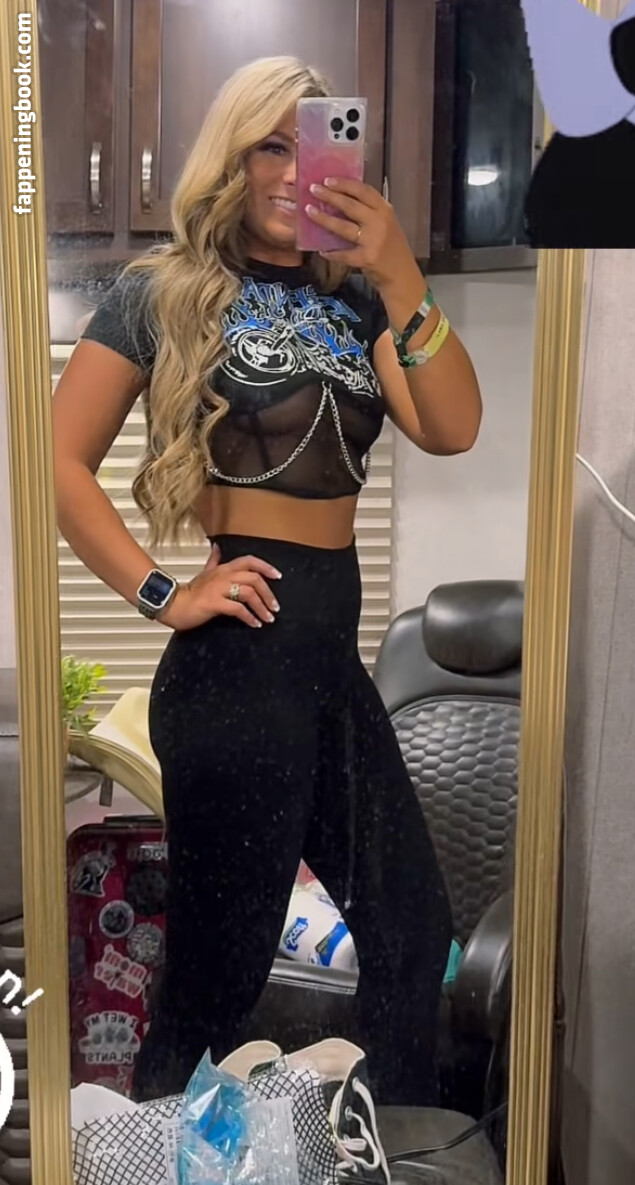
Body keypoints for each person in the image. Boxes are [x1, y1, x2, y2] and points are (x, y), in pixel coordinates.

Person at [52, 55, 482, 1108]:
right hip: (233, 677)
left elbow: (452, 427)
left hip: (330, 674)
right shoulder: (163, 292)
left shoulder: (358, 299)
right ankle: (163, 1158)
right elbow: (57, 462)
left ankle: (376, 1143)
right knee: (219, 975)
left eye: (314, 144)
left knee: (411, 931)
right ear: (232, 161)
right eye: (270, 147)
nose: (294, 172)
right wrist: (165, 593)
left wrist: (399, 273)